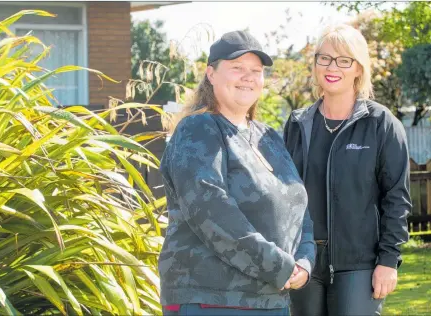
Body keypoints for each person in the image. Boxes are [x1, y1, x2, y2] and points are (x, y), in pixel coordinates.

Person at [159, 30, 316, 316]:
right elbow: (212, 212)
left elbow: (299, 203)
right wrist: (280, 266)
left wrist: (305, 261)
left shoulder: (268, 137)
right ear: (211, 74)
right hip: (213, 298)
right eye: (237, 68)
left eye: (256, 71)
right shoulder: (198, 131)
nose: (248, 76)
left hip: (271, 298)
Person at [284, 24, 411, 316]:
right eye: (324, 58)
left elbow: (396, 198)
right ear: (315, 64)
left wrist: (388, 261)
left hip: (359, 263)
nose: (332, 67)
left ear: (358, 69)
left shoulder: (381, 124)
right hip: (304, 261)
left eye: (344, 60)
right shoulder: (297, 123)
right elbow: (284, 194)